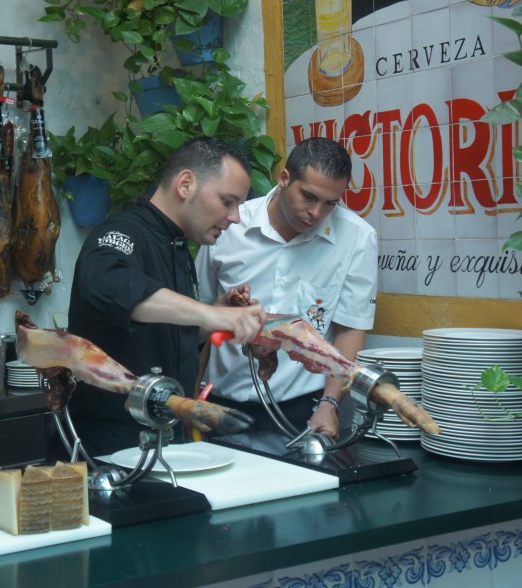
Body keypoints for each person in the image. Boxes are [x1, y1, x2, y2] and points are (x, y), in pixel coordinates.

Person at [66, 136, 267, 456]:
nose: (235, 217)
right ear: (185, 184)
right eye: (227, 201)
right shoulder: (122, 233)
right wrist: (212, 314)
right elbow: (110, 286)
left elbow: (160, 338)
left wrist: (213, 319)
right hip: (112, 444)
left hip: (164, 435)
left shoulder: (177, 245)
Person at [194, 137, 378, 438]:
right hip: (220, 403)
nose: (316, 212)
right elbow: (200, 317)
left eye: (330, 203)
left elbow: (350, 329)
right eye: (308, 196)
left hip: (302, 410)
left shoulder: (357, 238)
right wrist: (190, 399)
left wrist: (330, 404)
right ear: (284, 178)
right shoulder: (230, 225)